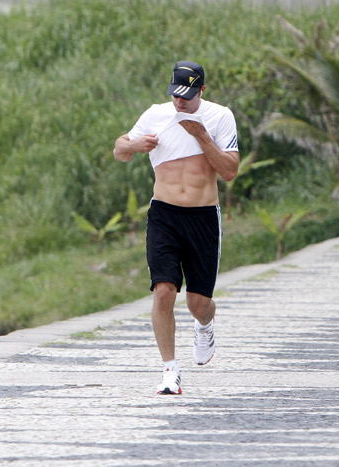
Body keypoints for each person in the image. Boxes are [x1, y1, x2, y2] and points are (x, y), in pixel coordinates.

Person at [113, 60, 239, 395]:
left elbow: (229, 172)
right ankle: (170, 371)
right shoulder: (155, 114)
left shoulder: (220, 116)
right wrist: (134, 146)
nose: (179, 102)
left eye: (186, 95)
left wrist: (202, 137)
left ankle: (205, 323)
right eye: (175, 94)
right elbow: (119, 150)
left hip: (202, 218)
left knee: (198, 303)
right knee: (164, 290)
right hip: (164, 215)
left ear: (202, 90)